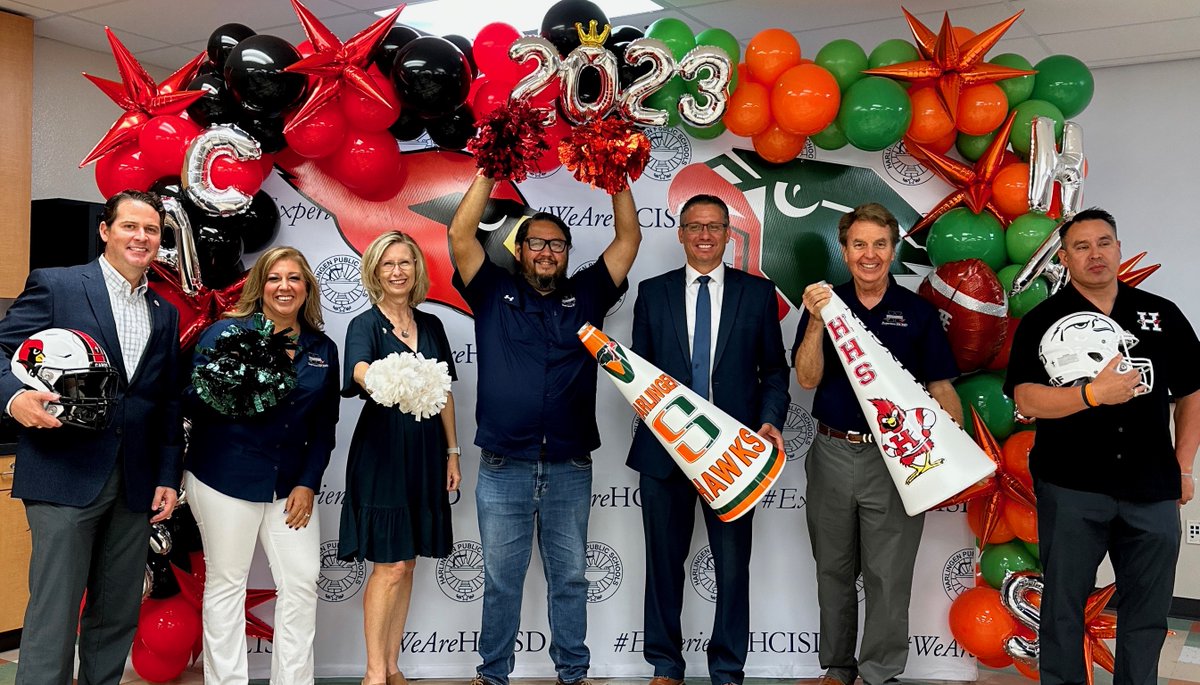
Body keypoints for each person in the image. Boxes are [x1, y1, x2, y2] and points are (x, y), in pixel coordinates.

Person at [448, 175, 642, 685]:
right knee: (501, 581)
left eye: (557, 244)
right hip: (503, 466)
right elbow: (460, 237)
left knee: (570, 580)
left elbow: (628, 241)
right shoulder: (491, 289)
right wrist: (488, 170)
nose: (546, 251)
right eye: (536, 242)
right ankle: (491, 675)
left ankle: (573, 674)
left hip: (569, 467)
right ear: (520, 250)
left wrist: (618, 176)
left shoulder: (588, 293)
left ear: (567, 252)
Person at [1004, 208, 1200, 685]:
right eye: (1081, 246)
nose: (1095, 254)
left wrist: (1184, 467)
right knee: (1063, 610)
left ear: (1117, 247)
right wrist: (1090, 395)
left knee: (1148, 612)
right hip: (1072, 487)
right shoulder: (1041, 320)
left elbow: (1191, 393)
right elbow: (1026, 397)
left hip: (1151, 486)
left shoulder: (1162, 314)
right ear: (1065, 258)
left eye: (1104, 243)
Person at [0, 189, 182, 685]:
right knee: (54, 615)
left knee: (116, 614)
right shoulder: (57, 286)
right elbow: (2, 353)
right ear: (105, 230)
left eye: (151, 230)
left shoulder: (164, 314)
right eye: (130, 226)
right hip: (63, 473)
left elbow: (165, 401)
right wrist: (14, 399)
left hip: (135, 482)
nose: (141, 237)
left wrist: (167, 475)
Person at [792, 202, 961, 685]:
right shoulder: (828, 304)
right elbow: (806, 379)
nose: (870, 255)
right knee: (833, 567)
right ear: (844, 251)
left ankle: (879, 671)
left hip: (896, 458)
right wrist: (818, 320)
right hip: (831, 451)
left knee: (889, 573)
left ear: (894, 249)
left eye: (880, 245)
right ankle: (838, 668)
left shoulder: (918, 313)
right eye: (859, 245)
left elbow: (943, 387)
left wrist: (950, 443)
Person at [626, 194, 789, 685]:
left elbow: (775, 372)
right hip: (664, 453)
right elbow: (638, 375)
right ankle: (665, 666)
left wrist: (770, 421)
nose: (704, 235)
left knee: (733, 567)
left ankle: (727, 669)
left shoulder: (757, 294)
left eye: (714, 227)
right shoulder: (652, 293)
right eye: (694, 226)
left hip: (735, 456)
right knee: (662, 565)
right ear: (680, 233)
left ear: (727, 234)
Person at [183, 246, 340, 685]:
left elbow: (324, 427)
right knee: (226, 585)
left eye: (294, 278)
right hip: (223, 478)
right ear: (260, 286)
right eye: (275, 278)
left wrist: (309, 482)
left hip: (290, 487)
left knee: (302, 581)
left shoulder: (322, 348)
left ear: (307, 288)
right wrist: (238, 375)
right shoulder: (223, 334)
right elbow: (191, 400)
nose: (284, 286)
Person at [338, 231, 462, 685]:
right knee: (388, 565)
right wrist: (389, 375)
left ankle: (393, 667)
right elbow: (358, 372)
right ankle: (373, 672)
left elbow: (445, 392)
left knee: (406, 563)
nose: (397, 271)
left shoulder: (432, 326)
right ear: (375, 270)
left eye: (405, 262)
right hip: (383, 453)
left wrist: (452, 452)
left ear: (416, 269)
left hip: (427, 453)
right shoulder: (364, 325)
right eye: (388, 263)